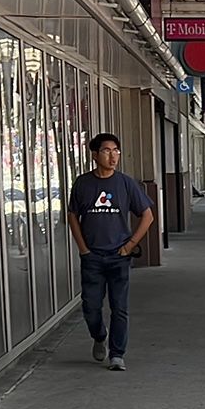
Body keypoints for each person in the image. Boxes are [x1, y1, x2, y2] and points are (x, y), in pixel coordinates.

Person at [67, 132, 155, 371]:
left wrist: (129, 245)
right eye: (107, 151)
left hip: (119, 256)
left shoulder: (126, 183)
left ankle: (117, 354)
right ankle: (98, 335)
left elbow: (147, 215)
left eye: (116, 150)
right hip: (92, 256)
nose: (113, 155)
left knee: (120, 307)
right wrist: (83, 248)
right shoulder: (83, 184)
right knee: (91, 307)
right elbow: (73, 215)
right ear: (95, 155)